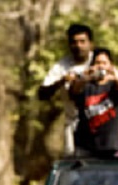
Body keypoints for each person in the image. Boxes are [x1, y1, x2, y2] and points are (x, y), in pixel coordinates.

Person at [38, 24, 95, 157]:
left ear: (90, 43)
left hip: (99, 122)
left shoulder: (99, 60)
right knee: (74, 166)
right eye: (74, 42)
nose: (78, 46)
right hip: (73, 124)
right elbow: (42, 94)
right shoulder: (62, 66)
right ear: (69, 44)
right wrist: (62, 81)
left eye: (82, 41)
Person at [69, 47, 118, 159]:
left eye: (104, 63)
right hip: (86, 147)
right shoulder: (85, 86)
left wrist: (114, 74)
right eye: (97, 63)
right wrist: (86, 76)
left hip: (110, 146)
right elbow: (74, 91)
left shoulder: (113, 86)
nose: (100, 66)